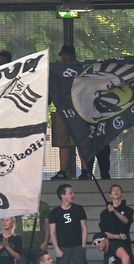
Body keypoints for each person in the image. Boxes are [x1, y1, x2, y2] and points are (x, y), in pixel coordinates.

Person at [50, 46, 80, 180]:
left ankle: (85, 170)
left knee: (80, 140)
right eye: (63, 55)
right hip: (62, 108)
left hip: (79, 109)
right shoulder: (58, 70)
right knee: (63, 142)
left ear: (73, 55)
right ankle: (63, 171)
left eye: (66, 55)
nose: (64, 58)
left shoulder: (80, 68)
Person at [49, 184, 89, 264]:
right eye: (70, 193)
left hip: (78, 246)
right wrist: (57, 249)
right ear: (63, 196)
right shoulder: (54, 212)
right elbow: (52, 232)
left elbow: (84, 228)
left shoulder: (79, 209)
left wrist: (83, 245)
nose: (73, 195)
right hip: (62, 248)